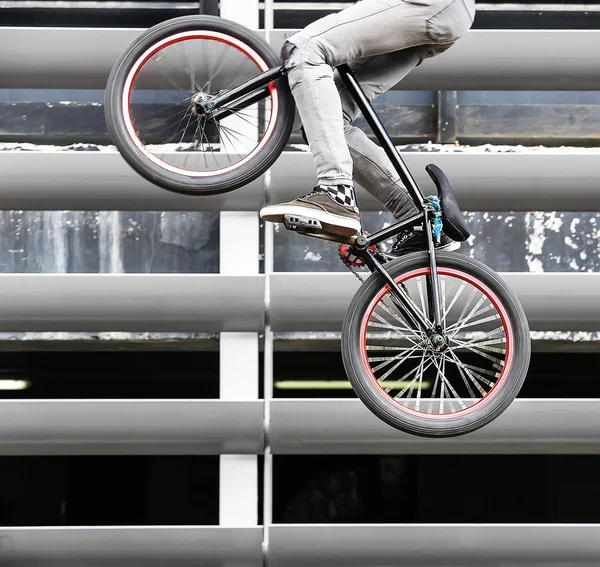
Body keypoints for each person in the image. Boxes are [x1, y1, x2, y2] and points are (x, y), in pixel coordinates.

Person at [259, 0, 475, 254]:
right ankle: (419, 218)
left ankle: (336, 190)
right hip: (448, 11)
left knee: (305, 48)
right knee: (326, 121)